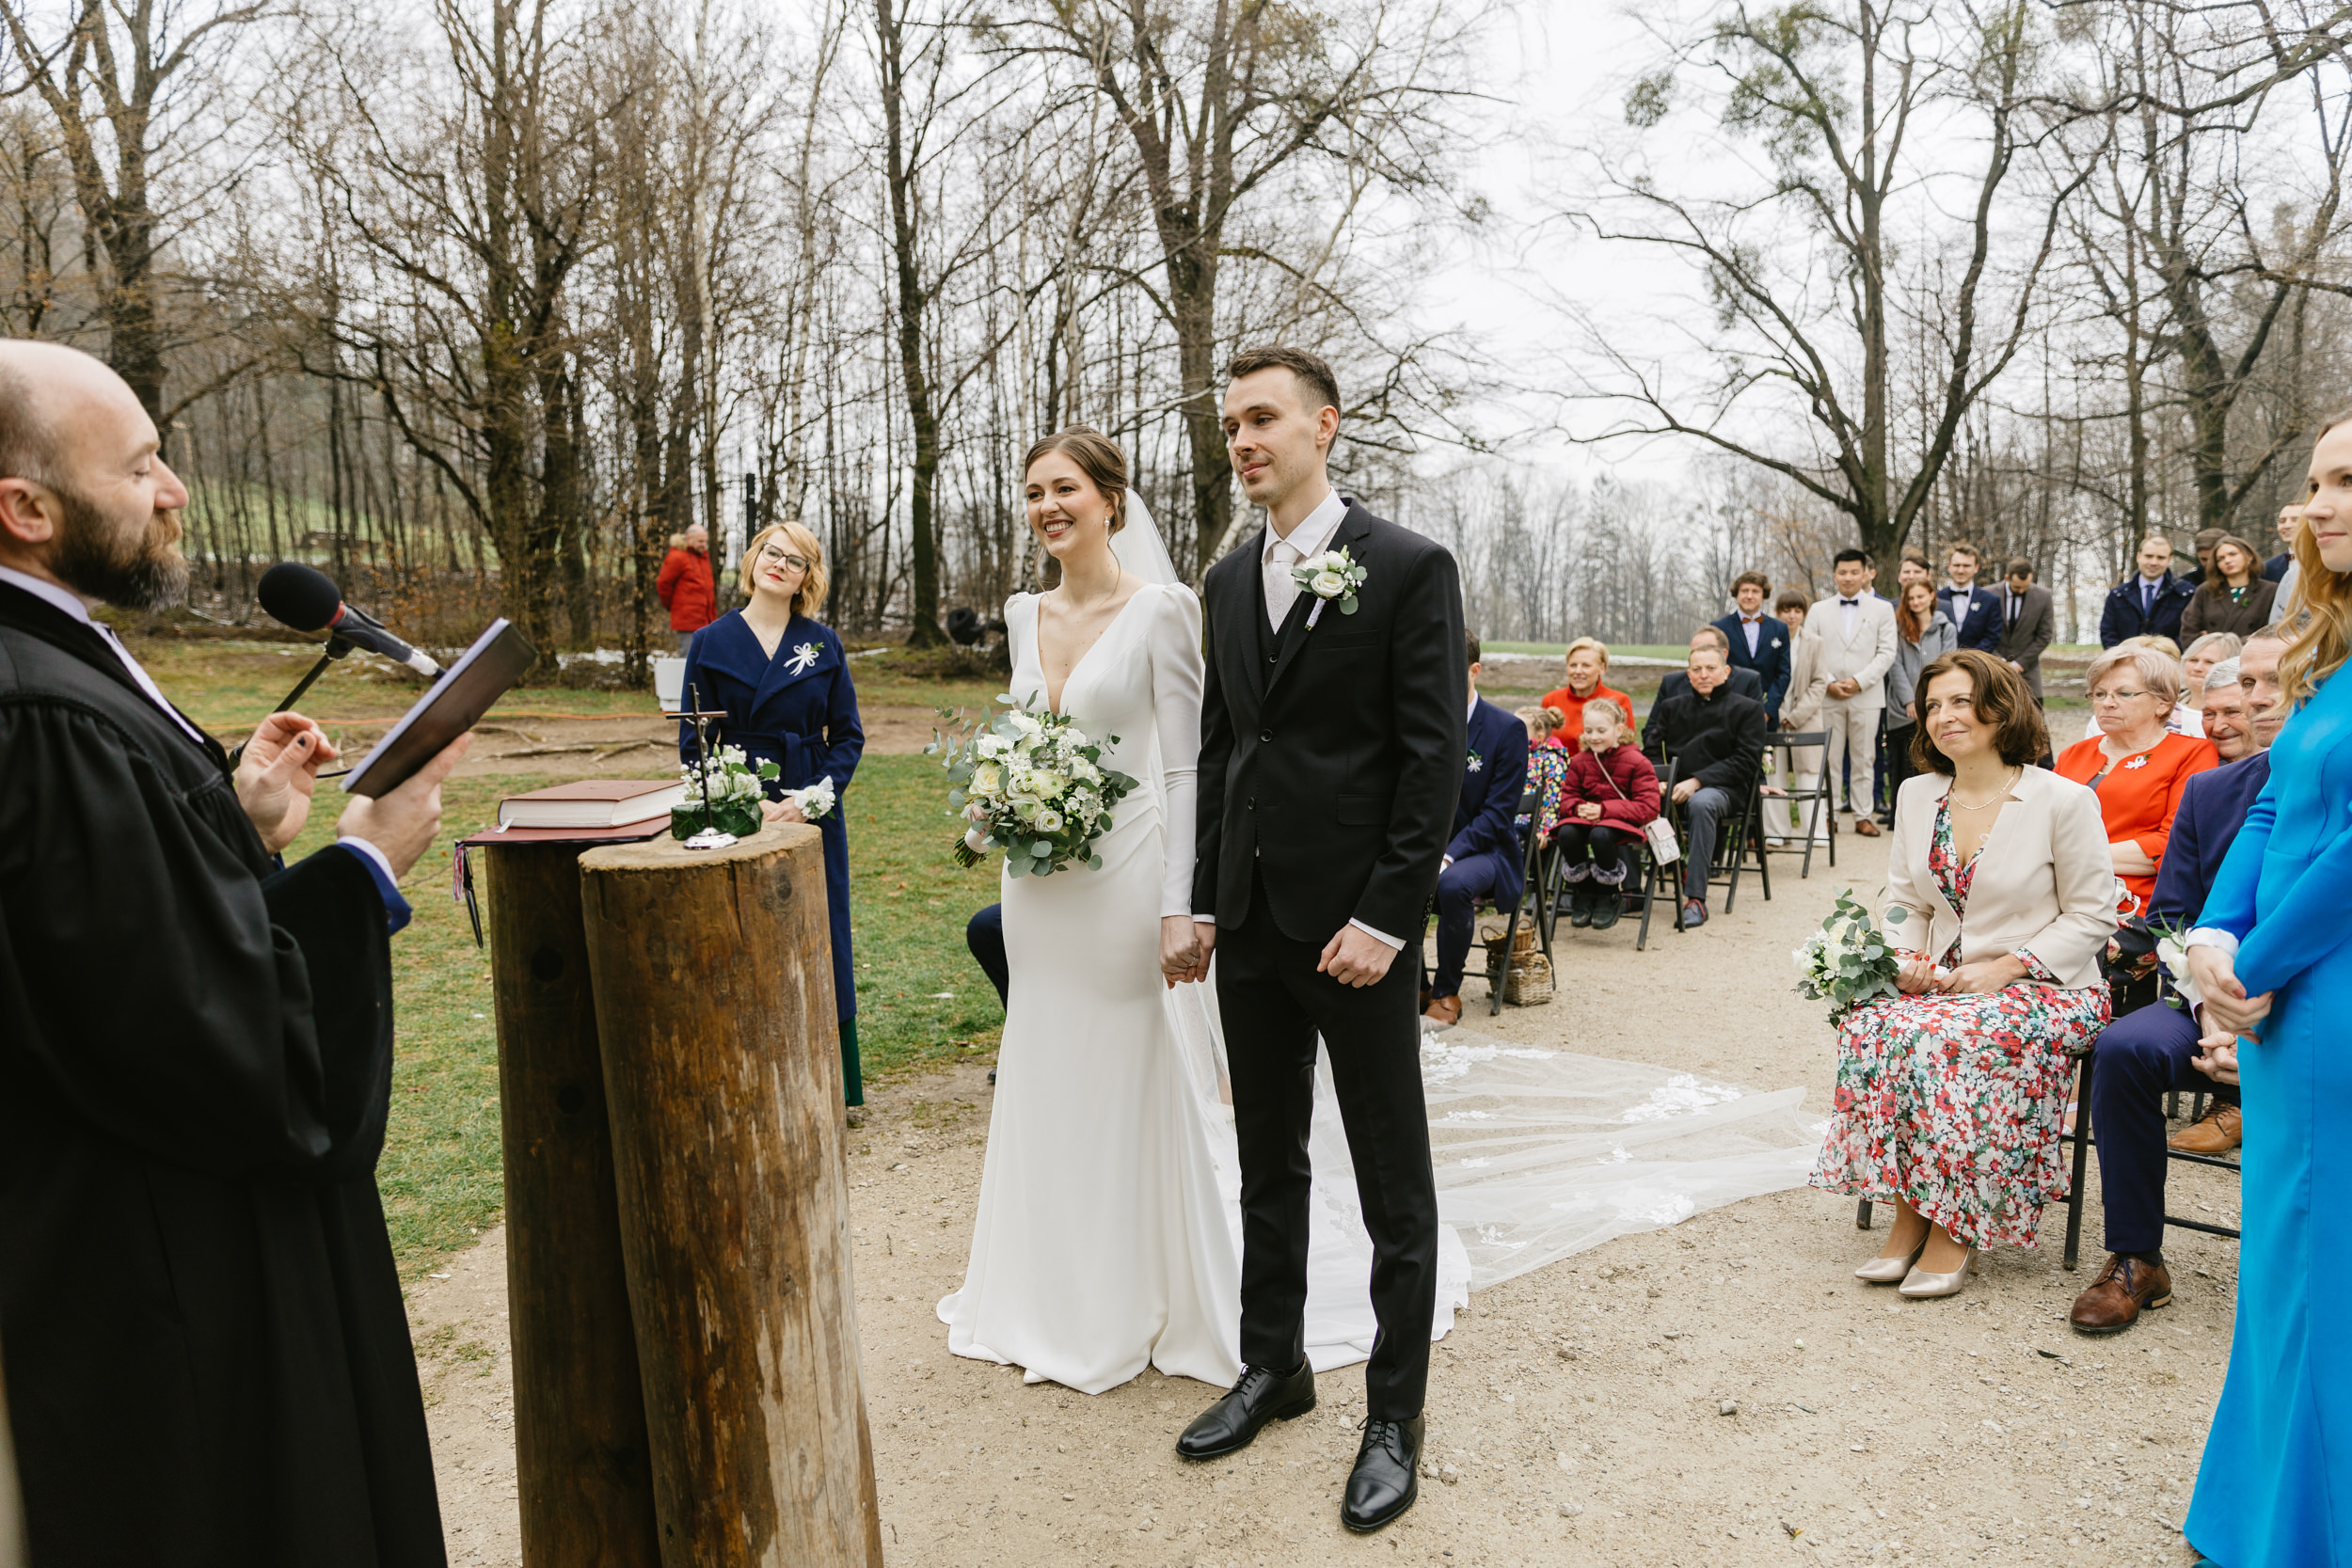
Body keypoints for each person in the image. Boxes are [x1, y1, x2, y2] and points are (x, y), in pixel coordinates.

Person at [0, 340, 464, 1564]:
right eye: (139, 465)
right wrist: (364, 867)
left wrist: (235, 823)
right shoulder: (37, 710)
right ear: (27, 509)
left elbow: (99, 936)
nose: (175, 491)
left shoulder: (50, 658)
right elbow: (213, 1045)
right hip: (165, 1277)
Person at [1178, 345, 1465, 1531]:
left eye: (1262, 419)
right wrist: (1204, 898)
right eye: (1230, 426)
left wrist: (1387, 915)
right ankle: (1274, 1364)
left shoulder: (1405, 565)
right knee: (1267, 1160)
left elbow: (1432, 757)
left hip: (1357, 931)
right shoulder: (1225, 579)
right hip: (1250, 924)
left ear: (1324, 426)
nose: (1243, 441)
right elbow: (1221, 749)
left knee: (1394, 1180)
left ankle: (1394, 1414)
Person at [2179, 415, 2352, 1568]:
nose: (2317, 503)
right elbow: (2279, 799)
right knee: (2282, 1258)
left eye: (2346, 480)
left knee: (2324, 1256)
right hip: (2281, 992)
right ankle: (2263, 1514)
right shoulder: (2328, 650)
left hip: (2330, 992)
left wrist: (2257, 963)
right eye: (2314, 480)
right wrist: (2212, 932)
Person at [1810, 652, 2114, 1299]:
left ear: (2001, 708)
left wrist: (2006, 967)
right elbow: (1905, 900)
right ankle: (1909, 1215)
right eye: (1932, 705)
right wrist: (1906, 960)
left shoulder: (2064, 799)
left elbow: (2094, 915)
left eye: (1959, 701)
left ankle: (1954, 1225)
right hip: (1950, 982)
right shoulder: (1916, 794)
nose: (1943, 716)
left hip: (2049, 986)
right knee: (1873, 1025)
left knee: (1950, 1038)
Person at [677, 520, 867, 1103]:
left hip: (809, 806)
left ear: (808, 577)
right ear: (753, 559)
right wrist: (743, 800)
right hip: (739, 809)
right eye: (771, 552)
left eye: (795, 560)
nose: (779, 564)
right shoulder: (710, 641)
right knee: (742, 935)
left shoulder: (823, 643)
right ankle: (750, 1080)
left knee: (820, 930)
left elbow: (848, 737)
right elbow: (694, 744)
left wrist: (811, 798)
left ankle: (831, 1083)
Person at [2054, 643, 2220, 929]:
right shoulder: (2074, 754)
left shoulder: (2192, 754)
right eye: (2099, 694)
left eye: (2124, 694)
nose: (2107, 703)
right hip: (2054, 897)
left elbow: (2174, 845)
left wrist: (2065, 857)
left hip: (2131, 907)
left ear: (2163, 703)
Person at [1423, 634, 1529, 1027]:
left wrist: (1449, 856)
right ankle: (1415, 987)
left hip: (1489, 850)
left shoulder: (1507, 729)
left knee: (1452, 884)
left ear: (1474, 671)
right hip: (1429, 842)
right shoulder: (1422, 723)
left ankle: (1446, 991)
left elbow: (1498, 815)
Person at [1641, 638, 1768, 927]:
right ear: (1688, 674)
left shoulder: (1747, 709)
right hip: (1676, 787)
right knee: (1635, 798)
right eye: (1697, 669)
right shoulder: (1672, 707)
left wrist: (1698, 781)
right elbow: (1651, 748)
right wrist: (1658, 780)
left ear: (1726, 671)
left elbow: (1746, 762)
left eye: (1711, 668)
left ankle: (1696, 899)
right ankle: (1630, 890)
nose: (1704, 675)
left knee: (1701, 803)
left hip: (1726, 790)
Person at [1806, 548, 1897, 836]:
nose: (1848, 577)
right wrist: (1829, 682)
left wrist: (1859, 681)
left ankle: (1863, 815)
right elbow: (1809, 650)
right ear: (1834, 575)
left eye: (1854, 572)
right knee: (1830, 758)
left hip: (1866, 695)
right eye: (1843, 572)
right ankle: (1829, 815)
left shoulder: (1882, 610)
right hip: (1827, 695)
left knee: (1865, 758)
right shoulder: (1818, 610)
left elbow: (1887, 652)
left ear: (1866, 574)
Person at [1555, 699, 1659, 929]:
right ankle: (1584, 890)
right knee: (1567, 833)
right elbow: (1567, 796)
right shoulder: (1580, 761)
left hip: (1623, 823)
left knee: (1600, 835)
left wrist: (1604, 810)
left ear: (1619, 730)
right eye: (1589, 730)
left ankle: (1608, 893)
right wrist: (1577, 807)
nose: (1594, 737)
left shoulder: (1637, 762)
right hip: (1588, 820)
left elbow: (1649, 808)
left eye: (1601, 731)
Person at [1883, 578, 1958, 821]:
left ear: (1931, 596)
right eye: (1911, 598)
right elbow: (1895, 666)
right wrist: (1909, 700)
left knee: (1934, 761)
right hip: (1902, 709)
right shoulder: (1898, 630)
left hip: (1935, 706)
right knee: (1902, 764)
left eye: (1920, 596)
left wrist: (1929, 702)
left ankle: (1933, 816)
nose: (1916, 602)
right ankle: (1900, 817)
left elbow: (1949, 665)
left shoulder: (1946, 628)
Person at [1769, 587, 1831, 845]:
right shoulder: (1770, 640)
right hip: (1774, 716)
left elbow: (1819, 682)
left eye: (1797, 610)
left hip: (1806, 718)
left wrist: (1795, 715)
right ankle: (1776, 832)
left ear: (1804, 614)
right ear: (1777, 612)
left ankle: (1815, 832)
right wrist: (1778, 712)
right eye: (1786, 610)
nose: (1791, 615)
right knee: (1773, 773)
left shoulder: (1815, 643)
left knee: (1809, 773)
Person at [1710, 570, 1792, 722]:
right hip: (1727, 712)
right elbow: (1715, 668)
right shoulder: (1718, 628)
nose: (1749, 596)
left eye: (1755, 591)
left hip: (1767, 714)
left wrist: (1768, 710)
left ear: (1763, 595)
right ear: (1736, 594)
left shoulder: (1779, 629)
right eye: (1744, 591)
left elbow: (1783, 673)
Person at [1537, 636, 1635, 749]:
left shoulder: (1619, 701)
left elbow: (1627, 747)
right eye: (1573, 665)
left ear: (1602, 668)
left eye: (1586, 665)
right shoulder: (1551, 700)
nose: (1578, 671)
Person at [2099, 534, 2195, 647]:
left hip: (2169, 657)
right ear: (2138, 556)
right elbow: (2108, 634)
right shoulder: (2117, 596)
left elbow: (2189, 633)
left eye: (2161, 558)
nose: (2154, 562)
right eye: (2148, 556)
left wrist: (2165, 654)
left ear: (2169, 560)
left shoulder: (2186, 595)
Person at [2180, 532, 2278, 641]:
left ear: (2249, 556)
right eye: (2220, 559)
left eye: (2233, 554)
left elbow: (2273, 632)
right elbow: (2188, 632)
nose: (2227, 561)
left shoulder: (2270, 590)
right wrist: (2207, 644)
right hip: (2212, 651)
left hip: (2254, 650)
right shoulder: (2206, 591)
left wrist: (2236, 645)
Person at [1994, 558, 2057, 703]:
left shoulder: (2044, 597)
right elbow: (1982, 633)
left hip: (2028, 668)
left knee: (2035, 712)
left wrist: (2019, 664)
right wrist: (1999, 662)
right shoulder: (1988, 594)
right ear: (2007, 578)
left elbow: (2044, 636)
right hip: (1993, 666)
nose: (2021, 590)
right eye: (2017, 587)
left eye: (2025, 586)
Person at [1655, 626, 1765, 705]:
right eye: (1695, 651)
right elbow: (1653, 727)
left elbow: (1755, 726)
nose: (1700, 655)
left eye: (1707, 650)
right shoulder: (1671, 683)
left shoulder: (1747, 681)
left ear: (1724, 654)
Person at [656, 521, 718, 653]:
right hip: (687, 622)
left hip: (707, 621)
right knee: (688, 658)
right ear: (689, 539)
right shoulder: (677, 557)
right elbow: (663, 584)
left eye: (705, 541)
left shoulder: (703, 557)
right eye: (700, 541)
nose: (704, 545)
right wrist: (672, 606)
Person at [1514, 704, 1567, 847]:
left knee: (1505, 835)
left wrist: (1545, 830)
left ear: (1539, 737)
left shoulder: (1552, 760)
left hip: (1529, 822)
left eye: (1519, 730)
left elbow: (1553, 798)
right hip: (1505, 816)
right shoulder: (1511, 755)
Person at [1935, 543, 2004, 654]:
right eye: (1956, 565)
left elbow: (1992, 637)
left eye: (1966, 566)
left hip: (1975, 660)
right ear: (1949, 566)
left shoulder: (1990, 600)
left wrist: (1969, 658)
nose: (1960, 570)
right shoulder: (1935, 598)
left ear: (1976, 568)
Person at [2261, 503, 2298, 582]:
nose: (2287, 526)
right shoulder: (2268, 568)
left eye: (2295, 520)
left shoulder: (2325, 562)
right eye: (2282, 521)